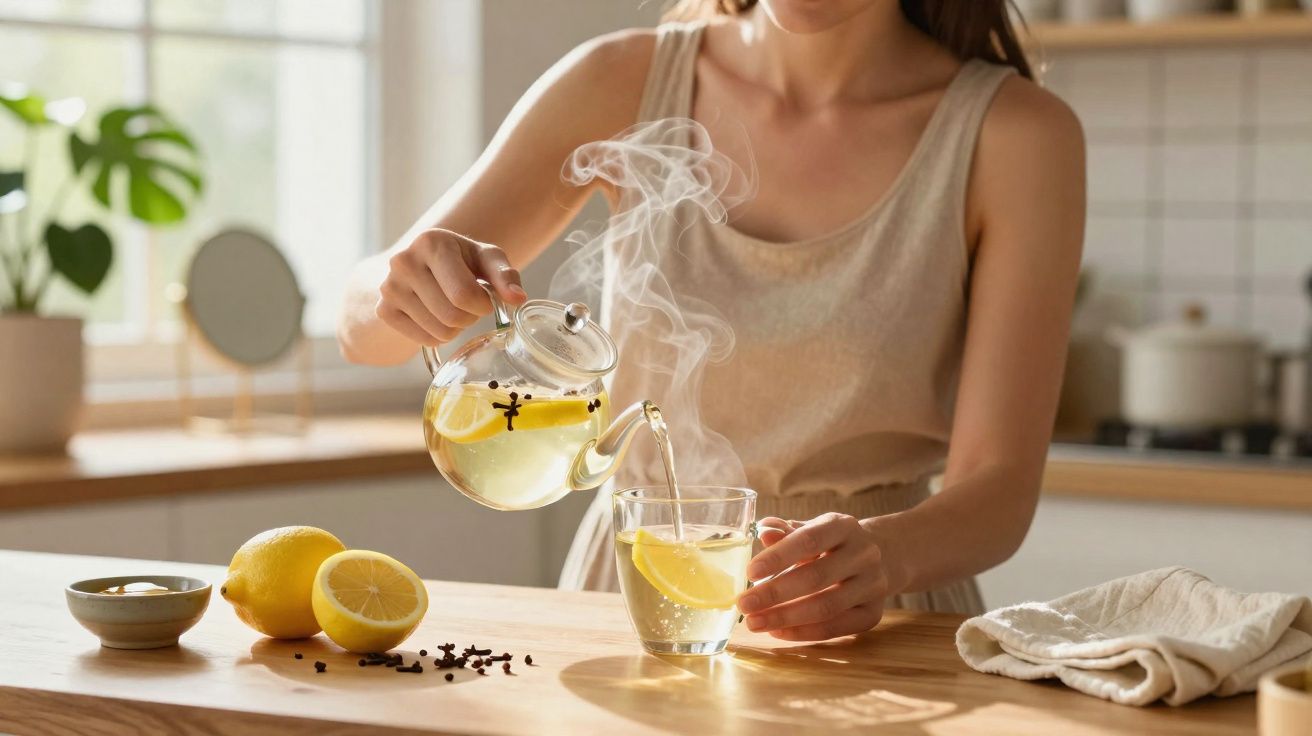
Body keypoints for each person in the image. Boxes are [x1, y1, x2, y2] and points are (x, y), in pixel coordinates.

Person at [338, 0, 1085, 642]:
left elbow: (999, 489)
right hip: (630, 599)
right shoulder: (620, 80)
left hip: (878, 614)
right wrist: (401, 287)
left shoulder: (1018, 136)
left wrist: (884, 557)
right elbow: (364, 331)